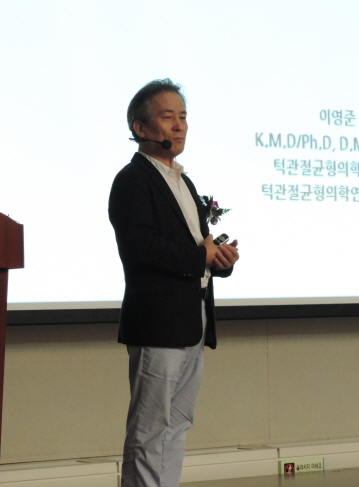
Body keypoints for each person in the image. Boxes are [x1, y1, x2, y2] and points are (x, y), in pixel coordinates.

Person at [108, 79, 239, 487]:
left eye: (183, 117)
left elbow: (196, 246)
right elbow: (142, 248)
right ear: (141, 127)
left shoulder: (184, 181)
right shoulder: (132, 180)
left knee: (178, 424)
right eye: (168, 117)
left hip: (192, 319)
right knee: (150, 429)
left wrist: (219, 259)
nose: (179, 126)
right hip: (158, 321)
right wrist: (201, 255)